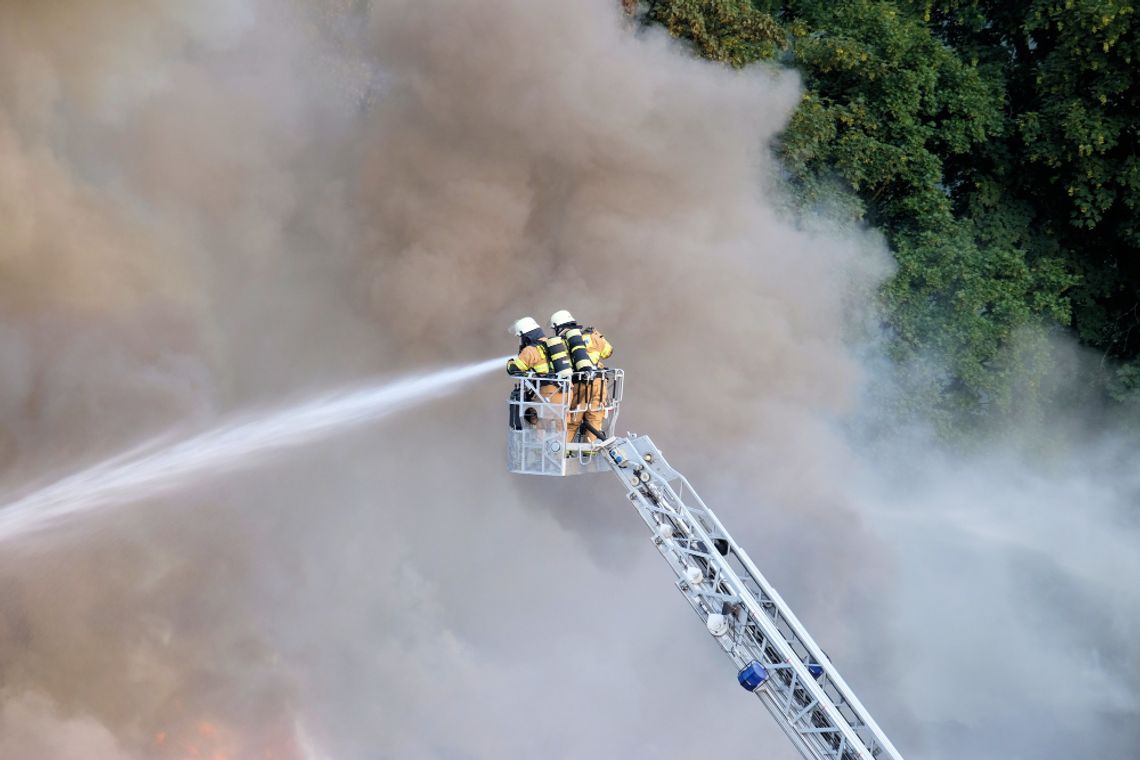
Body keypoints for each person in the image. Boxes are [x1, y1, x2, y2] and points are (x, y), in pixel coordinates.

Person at [549, 310, 614, 446]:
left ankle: (562, 451)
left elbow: (558, 366)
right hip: (599, 382)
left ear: (558, 327)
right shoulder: (593, 336)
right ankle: (591, 452)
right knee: (595, 418)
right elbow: (608, 352)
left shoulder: (562, 343)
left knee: (573, 420)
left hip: (579, 385)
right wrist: (597, 337)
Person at [507, 316, 572, 439]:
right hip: (566, 393)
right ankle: (563, 447)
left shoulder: (530, 350)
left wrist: (510, 362)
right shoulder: (555, 345)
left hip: (547, 394)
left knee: (538, 421)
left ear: (526, 336)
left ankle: (539, 446)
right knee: (561, 425)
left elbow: (513, 369)